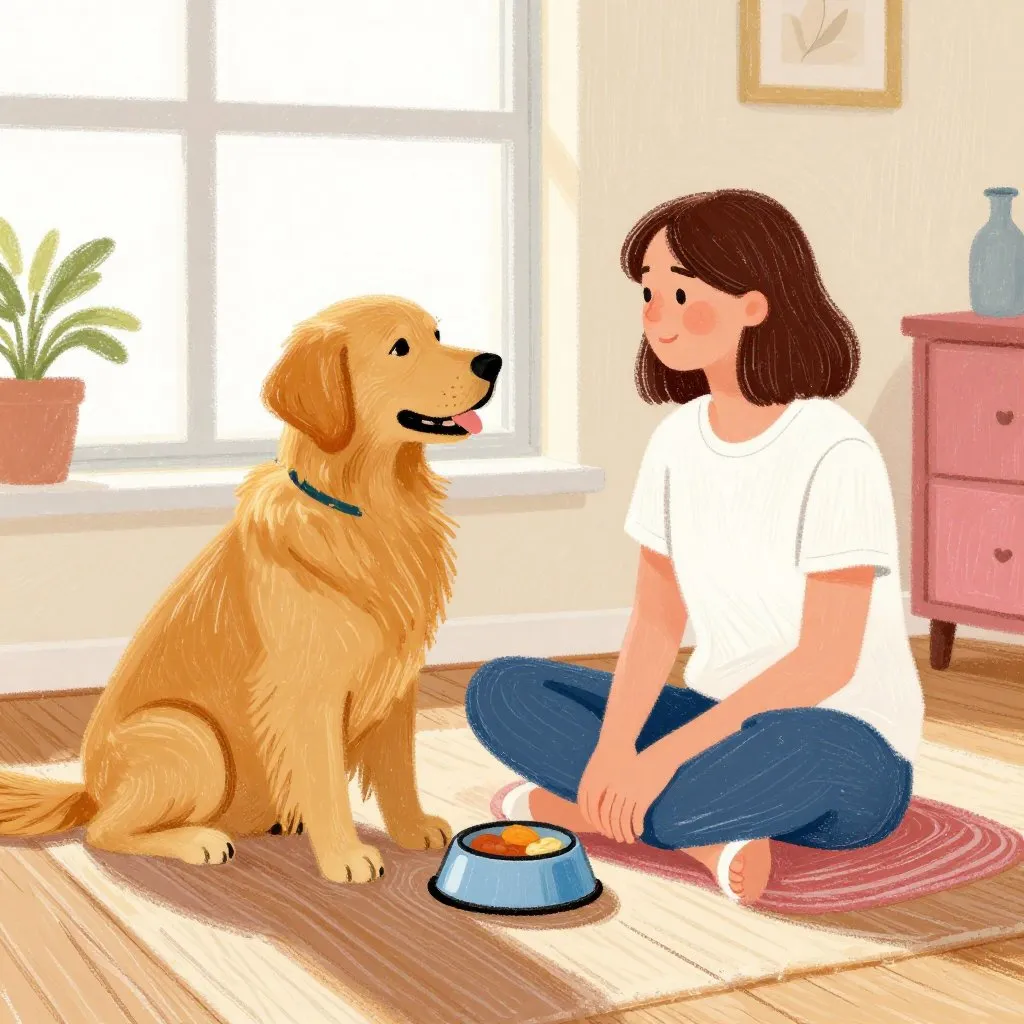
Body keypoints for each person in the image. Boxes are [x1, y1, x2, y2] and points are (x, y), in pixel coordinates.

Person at [465, 189, 923, 904]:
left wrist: (662, 758)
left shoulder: (834, 448)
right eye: (649, 291)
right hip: (717, 720)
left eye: (680, 291)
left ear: (756, 303)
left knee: (767, 760)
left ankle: (572, 810)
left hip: (846, 748)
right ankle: (704, 836)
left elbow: (823, 662)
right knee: (501, 689)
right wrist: (618, 749)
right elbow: (655, 621)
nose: (657, 313)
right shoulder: (677, 441)